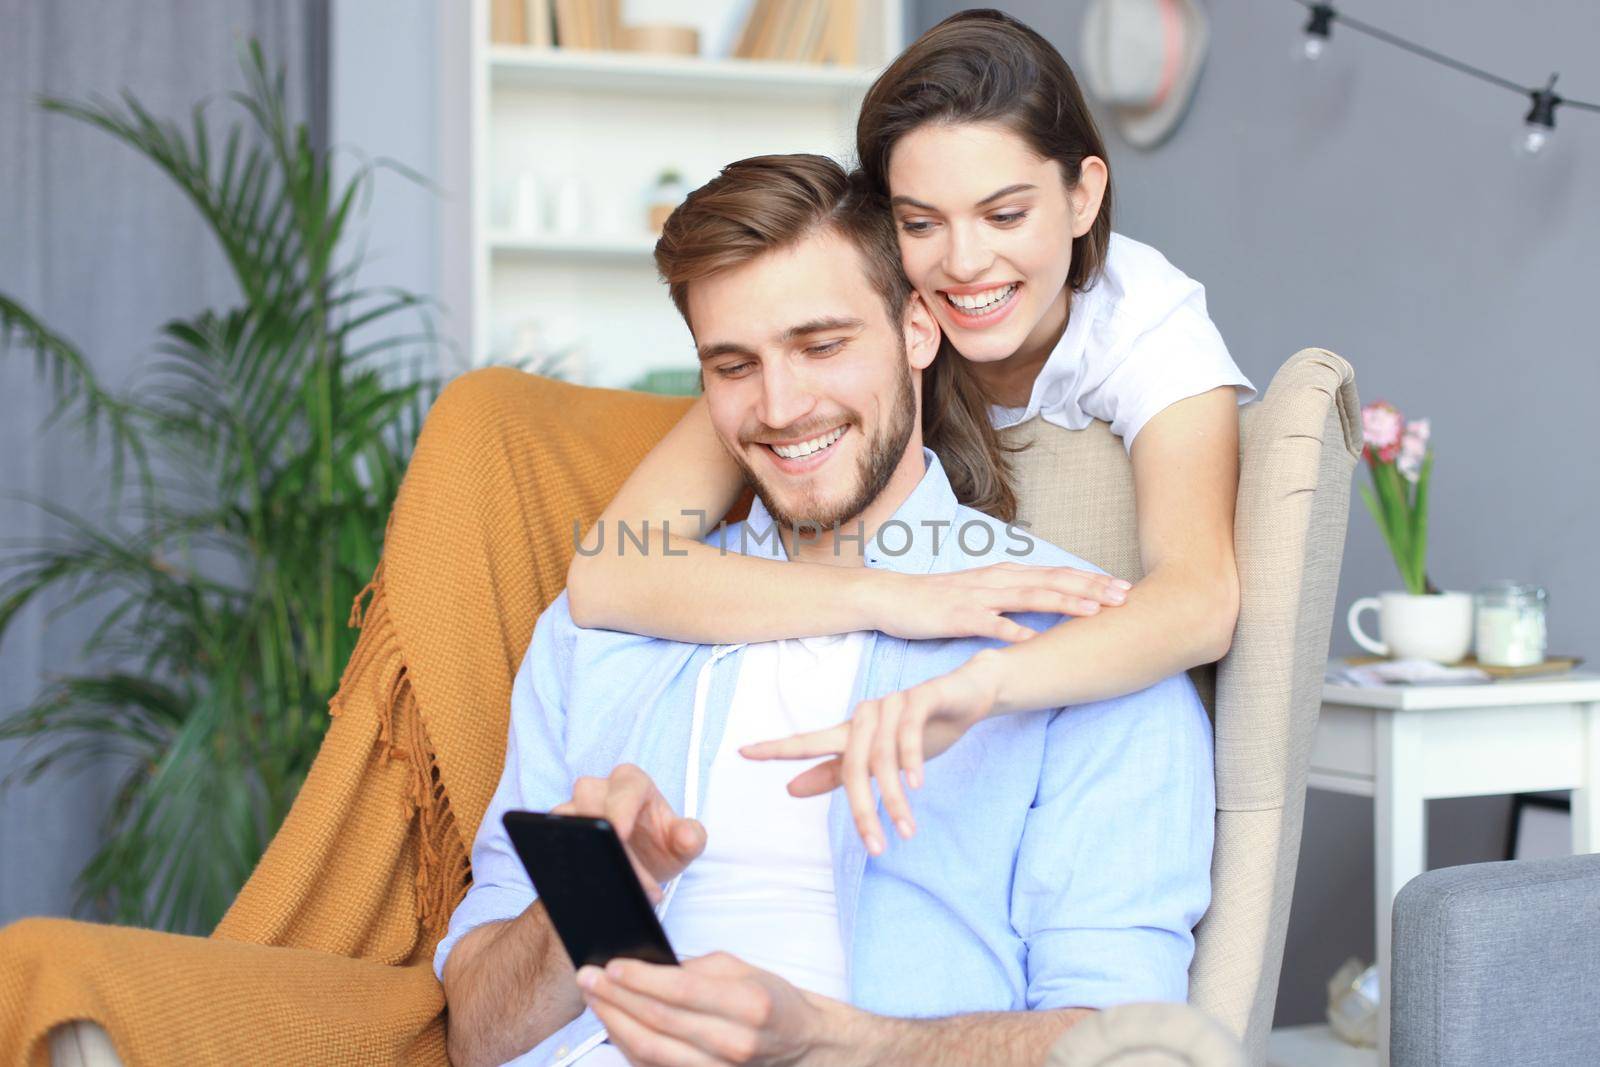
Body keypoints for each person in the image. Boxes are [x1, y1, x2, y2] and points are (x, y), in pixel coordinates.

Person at [436, 156, 1214, 1067]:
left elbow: (1129, 1043)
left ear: (919, 328)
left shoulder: (1082, 641)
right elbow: (475, 1036)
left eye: (822, 345)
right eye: (734, 364)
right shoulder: (600, 633)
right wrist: (590, 896)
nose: (780, 406)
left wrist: (827, 1040)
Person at [564, 10, 1254, 851]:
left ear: (1082, 195)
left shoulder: (1147, 326)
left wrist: (982, 687)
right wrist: (893, 597)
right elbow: (612, 572)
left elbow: (1199, 599)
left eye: (1004, 216)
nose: (963, 263)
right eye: (921, 223)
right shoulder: (848, 333)